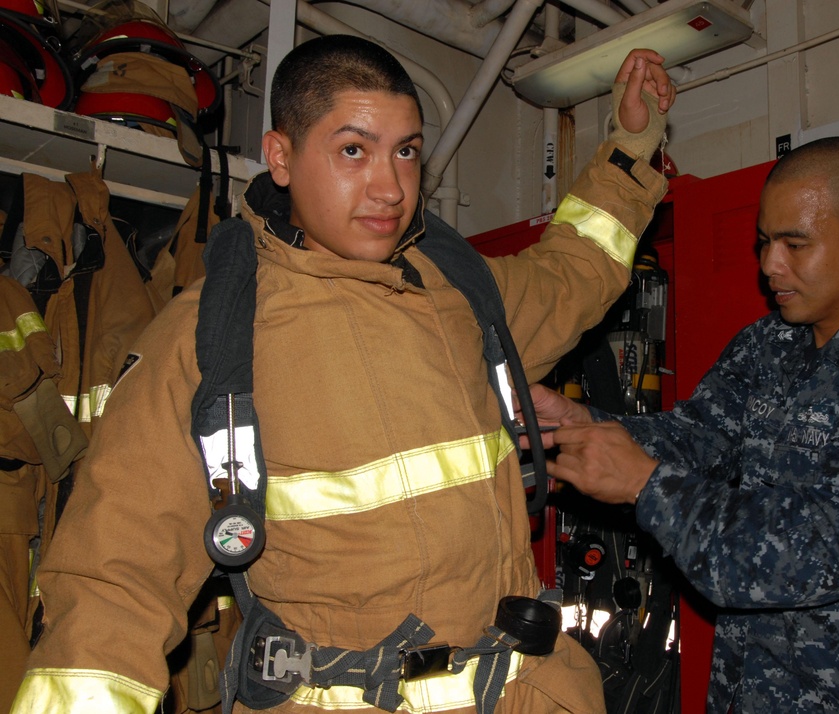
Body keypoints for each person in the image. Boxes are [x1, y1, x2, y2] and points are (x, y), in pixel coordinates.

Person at [11, 34, 677, 714]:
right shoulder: (213, 340)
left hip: (524, 692)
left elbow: (578, 267)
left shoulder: (463, 294)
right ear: (281, 157)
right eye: (353, 150)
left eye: (407, 151)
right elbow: (113, 585)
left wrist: (629, 145)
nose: (390, 189)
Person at [518, 136, 839, 712]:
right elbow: (698, 438)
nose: (769, 264)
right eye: (766, 242)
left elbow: (821, 550)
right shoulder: (769, 345)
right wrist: (586, 423)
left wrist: (647, 484)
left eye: (796, 244)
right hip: (756, 689)